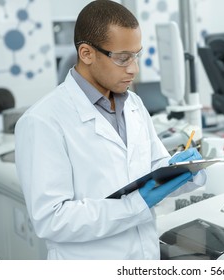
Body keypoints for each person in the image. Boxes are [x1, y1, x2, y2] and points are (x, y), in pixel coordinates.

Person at [14, 0, 206, 260]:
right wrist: (135, 205)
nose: (133, 69)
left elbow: (152, 169)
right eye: (122, 58)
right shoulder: (42, 120)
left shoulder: (134, 104)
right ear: (86, 53)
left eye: (136, 55)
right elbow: (52, 219)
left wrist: (180, 170)